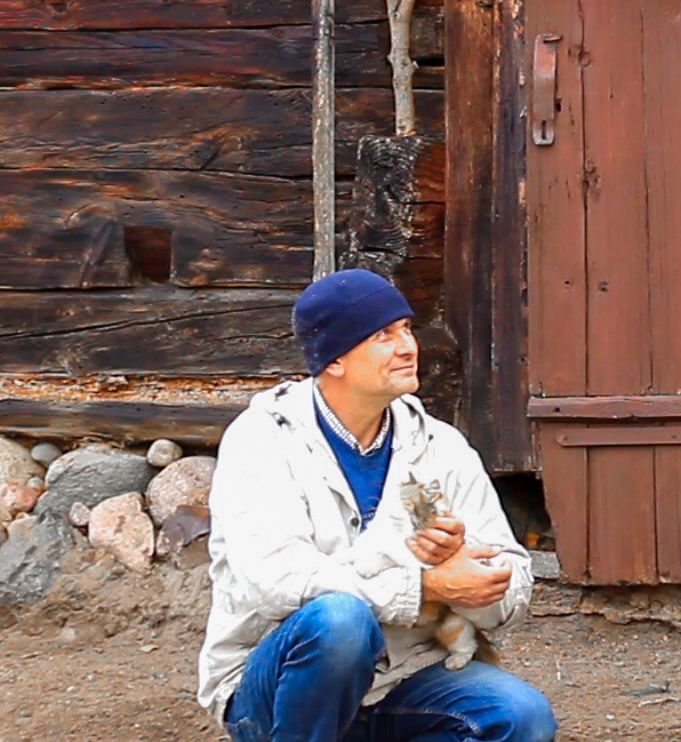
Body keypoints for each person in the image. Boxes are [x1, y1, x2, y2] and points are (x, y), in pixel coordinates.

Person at [198, 268, 557, 742]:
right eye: (383, 336)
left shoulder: (440, 446)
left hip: (405, 676)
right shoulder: (263, 440)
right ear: (335, 361)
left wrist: (473, 579)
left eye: (407, 329)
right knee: (340, 621)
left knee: (522, 718)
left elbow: (511, 584)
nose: (409, 346)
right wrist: (426, 586)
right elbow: (276, 582)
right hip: (276, 690)